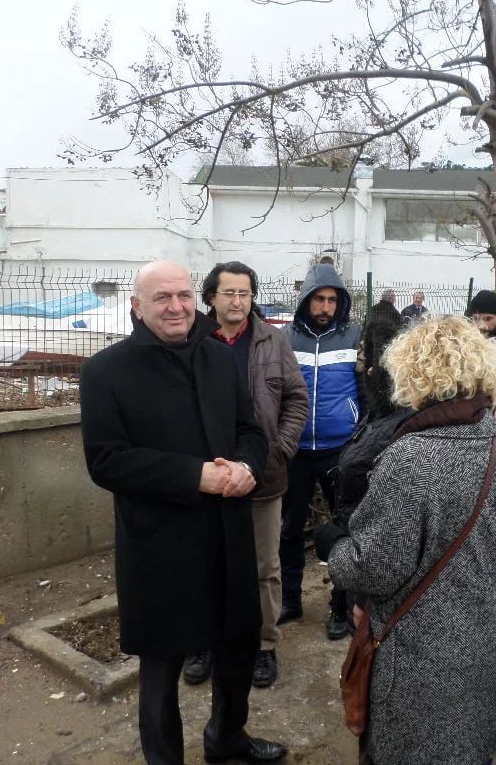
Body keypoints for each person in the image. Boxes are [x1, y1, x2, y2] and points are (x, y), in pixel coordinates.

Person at [80, 260, 286, 765]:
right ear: (137, 307)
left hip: (227, 532)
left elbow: (250, 430)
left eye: (183, 295)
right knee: (162, 666)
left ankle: (227, 739)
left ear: (197, 299)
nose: (176, 307)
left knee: (237, 648)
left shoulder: (219, 358)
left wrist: (246, 466)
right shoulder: (105, 372)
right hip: (159, 544)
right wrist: (196, 476)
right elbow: (107, 461)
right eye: (162, 298)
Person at [315, 316, 496, 765]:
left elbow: (374, 569)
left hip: (424, 663)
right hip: (494, 649)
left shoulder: (411, 457)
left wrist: (333, 544)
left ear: (414, 373)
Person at [188, 262, 308, 690]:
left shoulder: (274, 340)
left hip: (263, 476)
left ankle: (264, 645)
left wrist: (280, 448)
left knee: (264, 567)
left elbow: (296, 399)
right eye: (229, 292)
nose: (238, 301)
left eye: (245, 293)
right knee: (204, 564)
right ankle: (204, 642)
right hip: (205, 477)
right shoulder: (192, 340)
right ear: (211, 297)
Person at [280, 263, 361, 641]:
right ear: (305, 301)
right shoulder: (283, 339)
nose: (326, 307)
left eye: (332, 300)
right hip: (294, 450)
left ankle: (341, 606)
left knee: (345, 530)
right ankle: (289, 599)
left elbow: (367, 389)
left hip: (339, 450)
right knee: (289, 530)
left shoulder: (354, 337)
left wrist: (360, 435)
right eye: (319, 299)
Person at [331, 318, 413, 631]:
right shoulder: (378, 413)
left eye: (366, 355)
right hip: (354, 546)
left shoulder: (399, 427)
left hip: (369, 562)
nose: (361, 364)